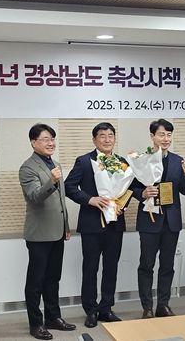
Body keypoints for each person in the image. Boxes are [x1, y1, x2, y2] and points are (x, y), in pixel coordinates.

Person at [64, 122, 129, 327]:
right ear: (94, 140)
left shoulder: (122, 162)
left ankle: (106, 308)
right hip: (91, 224)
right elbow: (69, 187)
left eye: (110, 135)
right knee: (90, 268)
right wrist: (90, 199)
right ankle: (91, 310)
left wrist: (122, 204)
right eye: (102, 136)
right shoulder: (84, 161)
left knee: (111, 267)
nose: (107, 139)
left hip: (115, 224)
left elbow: (129, 188)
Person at [19, 123, 76, 340]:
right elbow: (35, 197)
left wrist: (66, 226)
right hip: (39, 235)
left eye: (52, 139)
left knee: (53, 278)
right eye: (45, 139)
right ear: (34, 143)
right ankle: (36, 324)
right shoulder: (27, 168)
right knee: (35, 282)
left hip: (57, 232)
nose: (50, 143)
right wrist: (51, 181)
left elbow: (60, 201)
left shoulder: (55, 164)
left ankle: (53, 317)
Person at [132, 119, 185, 319]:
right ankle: (147, 307)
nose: (166, 139)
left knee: (167, 265)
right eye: (161, 135)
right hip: (149, 220)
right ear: (152, 136)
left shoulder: (178, 160)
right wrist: (142, 193)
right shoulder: (142, 159)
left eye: (168, 135)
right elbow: (131, 187)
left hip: (171, 221)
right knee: (146, 265)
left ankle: (163, 305)